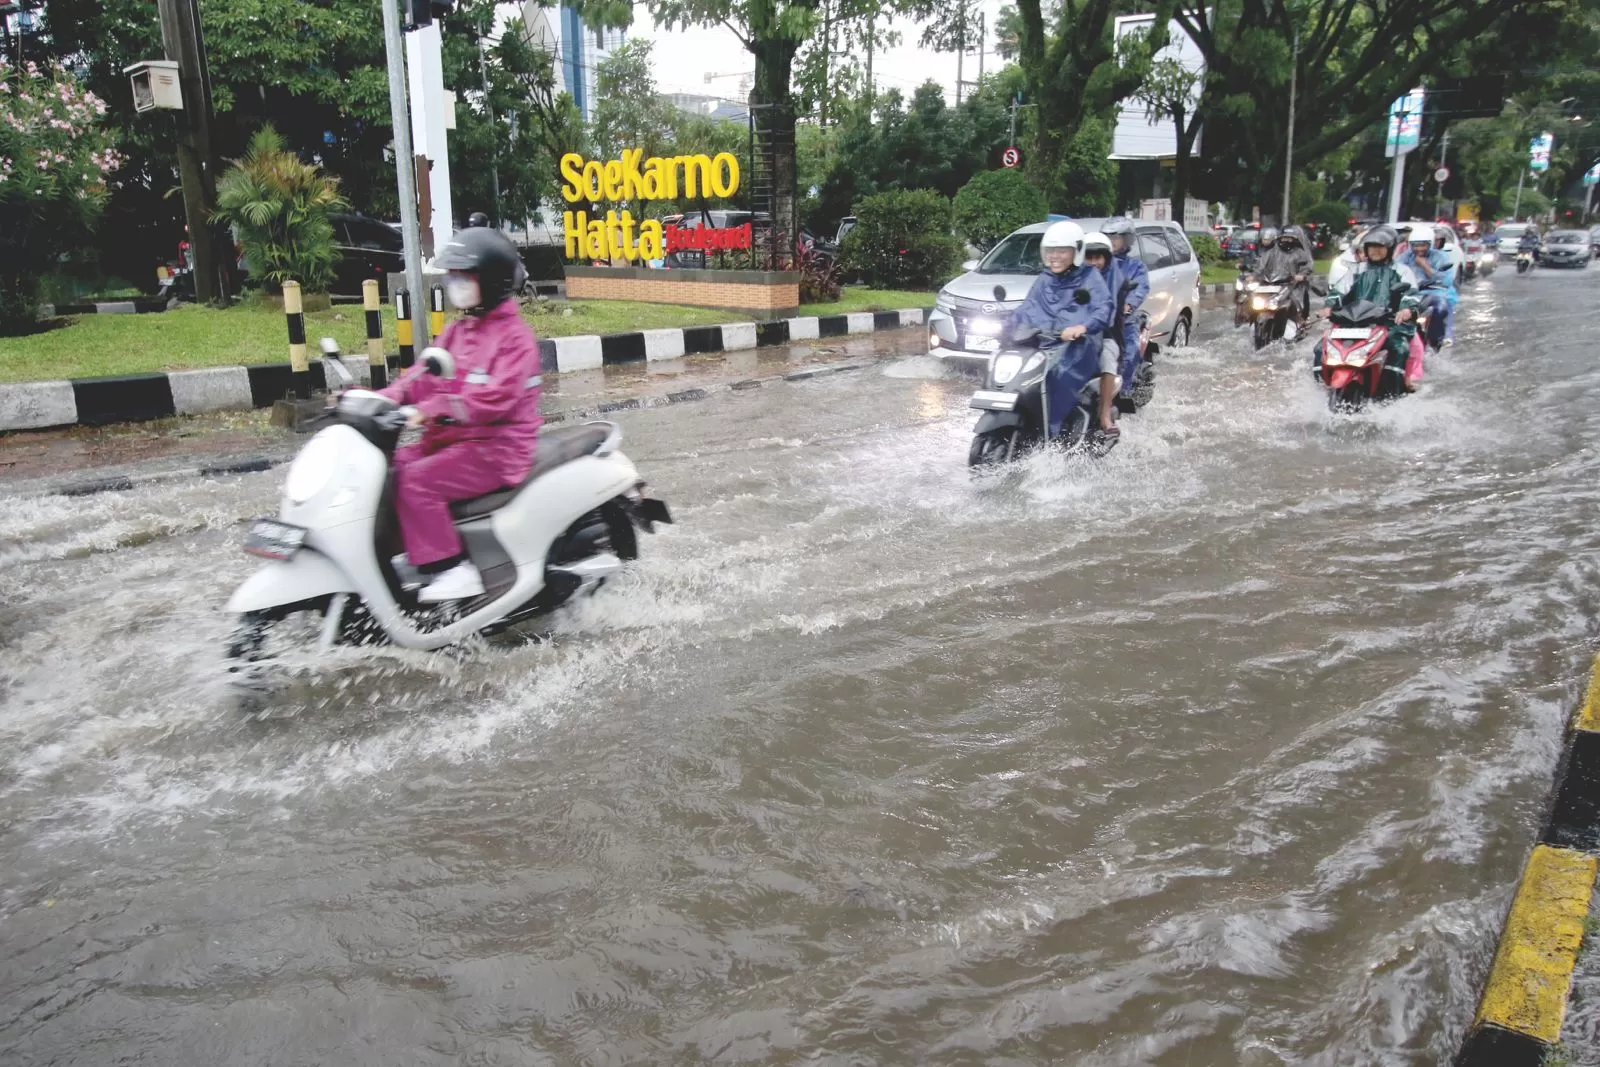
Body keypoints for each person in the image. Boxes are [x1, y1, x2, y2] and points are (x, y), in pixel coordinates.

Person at [379, 228, 542, 602]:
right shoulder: (458, 330)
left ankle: (450, 567)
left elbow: (495, 398)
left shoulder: (516, 339)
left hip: (495, 449)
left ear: (492, 280)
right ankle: (415, 553)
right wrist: (379, 399)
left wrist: (434, 409)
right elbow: (422, 376)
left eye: (463, 277)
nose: (454, 284)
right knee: (387, 471)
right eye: (452, 276)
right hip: (453, 441)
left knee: (417, 481)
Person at [1007, 220, 1115, 440]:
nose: (1054, 256)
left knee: (1057, 373)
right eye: (1050, 251)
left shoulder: (1089, 277)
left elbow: (1104, 307)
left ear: (1076, 251)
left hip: (1079, 343)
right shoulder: (1045, 279)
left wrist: (1082, 326)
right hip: (1043, 340)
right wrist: (1005, 325)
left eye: (1061, 251)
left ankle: (1054, 431)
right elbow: (1027, 308)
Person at [1315, 224, 1422, 391]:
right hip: (1354, 322)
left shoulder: (1402, 271)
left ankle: (1392, 394)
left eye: (1380, 247)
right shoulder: (1357, 270)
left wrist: (1406, 309)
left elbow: (1411, 293)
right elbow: (1339, 290)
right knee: (1319, 348)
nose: (1375, 251)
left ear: (1390, 248)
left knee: (1399, 348)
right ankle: (1320, 389)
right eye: (1371, 247)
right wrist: (1329, 306)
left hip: (1388, 322)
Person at [1100, 217, 1150, 396]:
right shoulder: (1095, 262)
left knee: (1130, 353)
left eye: (1115, 237)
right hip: (1097, 320)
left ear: (1127, 239)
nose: (1111, 241)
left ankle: (1123, 393)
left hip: (1123, 322)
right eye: (1107, 237)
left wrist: (1127, 305)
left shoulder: (1136, 267)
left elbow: (1141, 288)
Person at [1080, 230, 1123, 435]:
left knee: (1107, 358)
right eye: (1088, 257)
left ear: (1106, 259)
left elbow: (1111, 315)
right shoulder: (1071, 278)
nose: (1093, 262)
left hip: (1106, 334)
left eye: (1098, 257)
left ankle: (1104, 414)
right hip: (1072, 334)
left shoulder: (1116, 281)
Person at [1396, 223, 1454, 348]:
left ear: (1430, 244)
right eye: (1415, 245)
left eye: (1423, 245)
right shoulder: (1406, 256)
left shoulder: (1441, 257)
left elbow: (1446, 280)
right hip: (1411, 293)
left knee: (1440, 309)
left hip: (1432, 293)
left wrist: (1425, 266)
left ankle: (1436, 340)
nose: (1419, 248)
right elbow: (1395, 269)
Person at [1252, 225, 1316, 322]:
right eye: (1284, 237)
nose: (1286, 240)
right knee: (1254, 300)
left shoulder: (1300, 253)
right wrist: (1254, 275)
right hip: (1272, 283)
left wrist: (1301, 275)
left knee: (1297, 299)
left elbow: (1307, 267)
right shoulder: (1272, 252)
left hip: (1292, 284)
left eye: (1289, 238)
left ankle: (1299, 319)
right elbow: (1261, 265)